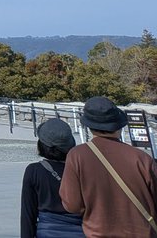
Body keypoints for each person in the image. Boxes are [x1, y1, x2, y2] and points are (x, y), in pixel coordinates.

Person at [59, 96, 157, 238]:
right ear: (118, 125)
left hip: (99, 233)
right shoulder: (141, 158)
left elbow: (72, 205)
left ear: (89, 125)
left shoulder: (77, 155)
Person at [20, 117, 84, 237]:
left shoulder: (34, 171)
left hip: (47, 232)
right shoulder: (83, 169)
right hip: (81, 231)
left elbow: (28, 214)